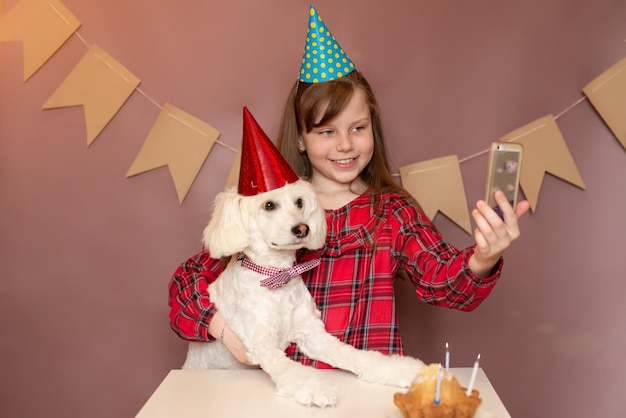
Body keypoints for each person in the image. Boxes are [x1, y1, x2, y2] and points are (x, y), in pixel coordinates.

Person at [168, 5, 530, 368]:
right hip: (288, 394)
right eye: (327, 132)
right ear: (301, 140)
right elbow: (186, 284)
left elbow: (443, 283)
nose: (345, 145)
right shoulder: (269, 210)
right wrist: (229, 336)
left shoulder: (391, 211)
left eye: (357, 128)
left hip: (370, 391)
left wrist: (483, 257)